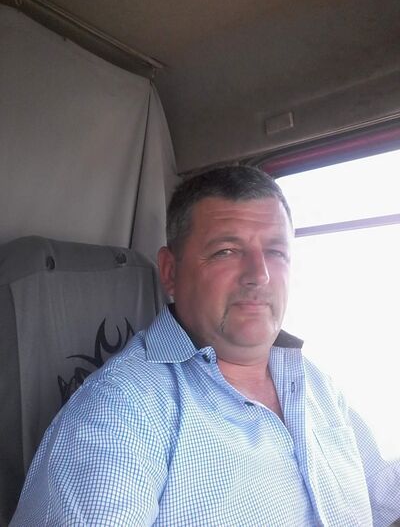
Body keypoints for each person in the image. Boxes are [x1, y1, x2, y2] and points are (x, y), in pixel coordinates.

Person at [11, 166, 399, 526]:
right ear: (170, 272)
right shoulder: (119, 412)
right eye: (226, 251)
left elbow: (384, 498)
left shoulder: (314, 383)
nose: (259, 275)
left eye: (276, 252)